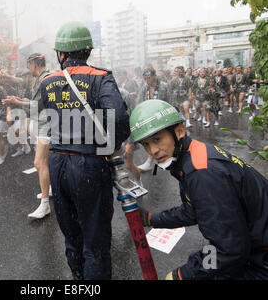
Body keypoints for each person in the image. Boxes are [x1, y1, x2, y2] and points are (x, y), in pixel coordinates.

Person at [125, 99, 268, 280]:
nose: (152, 150)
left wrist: (182, 274)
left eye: (157, 139)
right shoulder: (192, 154)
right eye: (145, 144)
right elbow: (194, 210)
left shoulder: (202, 172)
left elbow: (228, 251)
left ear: (179, 131)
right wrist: (152, 219)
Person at [40, 22, 130, 280]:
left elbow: (49, 117)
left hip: (57, 162)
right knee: (96, 242)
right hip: (89, 164)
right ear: (87, 51)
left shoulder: (48, 82)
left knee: (72, 236)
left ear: (62, 54)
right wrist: (109, 146)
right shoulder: (100, 77)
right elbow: (119, 118)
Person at [3, 53, 52, 219]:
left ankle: (45, 204)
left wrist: (16, 103)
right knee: (48, 161)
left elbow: (36, 106)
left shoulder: (44, 79)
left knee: (39, 162)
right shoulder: (44, 78)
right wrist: (18, 100)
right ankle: (50, 189)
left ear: (34, 64)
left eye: (28, 65)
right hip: (45, 123)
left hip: (47, 125)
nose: (27, 68)